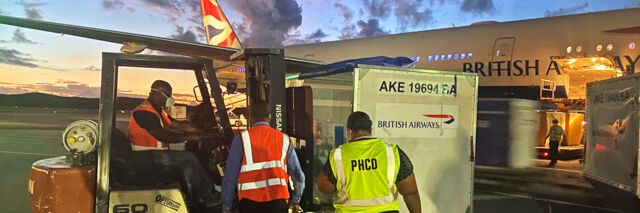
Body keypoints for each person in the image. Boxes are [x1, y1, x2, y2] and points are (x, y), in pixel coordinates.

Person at [128, 80, 220, 211]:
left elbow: (180, 125)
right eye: (168, 95)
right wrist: (189, 137)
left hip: (154, 155)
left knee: (189, 157)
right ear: (159, 93)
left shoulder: (159, 111)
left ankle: (198, 194)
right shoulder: (144, 112)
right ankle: (209, 198)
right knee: (188, 158)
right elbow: (162, 135)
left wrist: (201, 132)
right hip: (145, 157)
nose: (170, 99)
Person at [317, 111, 421, 213]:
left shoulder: (338, 155)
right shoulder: (391, 152)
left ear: (349, 132)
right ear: (370, 130)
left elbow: (324, 187)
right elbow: (410, 192)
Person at [221, 102, 305, 213]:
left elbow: (230, 177)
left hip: (250, 204)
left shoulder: (241, 139)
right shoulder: (284, 140)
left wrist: (226, 207)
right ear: (270, 117)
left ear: (251, 117)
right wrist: (295, 200)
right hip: (278, 204)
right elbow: (298, 175)